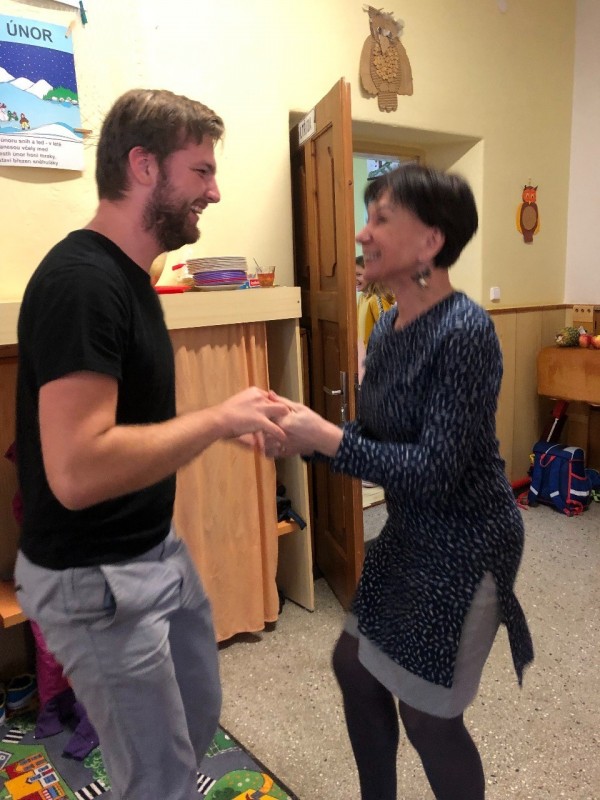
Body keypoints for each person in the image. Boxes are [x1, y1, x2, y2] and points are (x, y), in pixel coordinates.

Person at [14, 88, 288, 800]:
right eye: (201, 171)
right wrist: (218, 420)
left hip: (151, 549)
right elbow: (77, 470)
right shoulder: (82, 284)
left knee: (193, 718)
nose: (214, 191)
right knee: (160, 778)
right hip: (91, 578)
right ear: (143, 166)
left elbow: (122, 427)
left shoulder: (132, 277)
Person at [266, 163, 534, 800]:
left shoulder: (466, 332)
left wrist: (326, 438)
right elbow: (378, 440)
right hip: (412, 532)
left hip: (469, 542)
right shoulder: (387, 329)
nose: (363, 233)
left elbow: (436, 471)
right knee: (355, 668)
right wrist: (303, 437)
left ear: (430, 241)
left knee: (427, 714)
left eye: (381, 218)